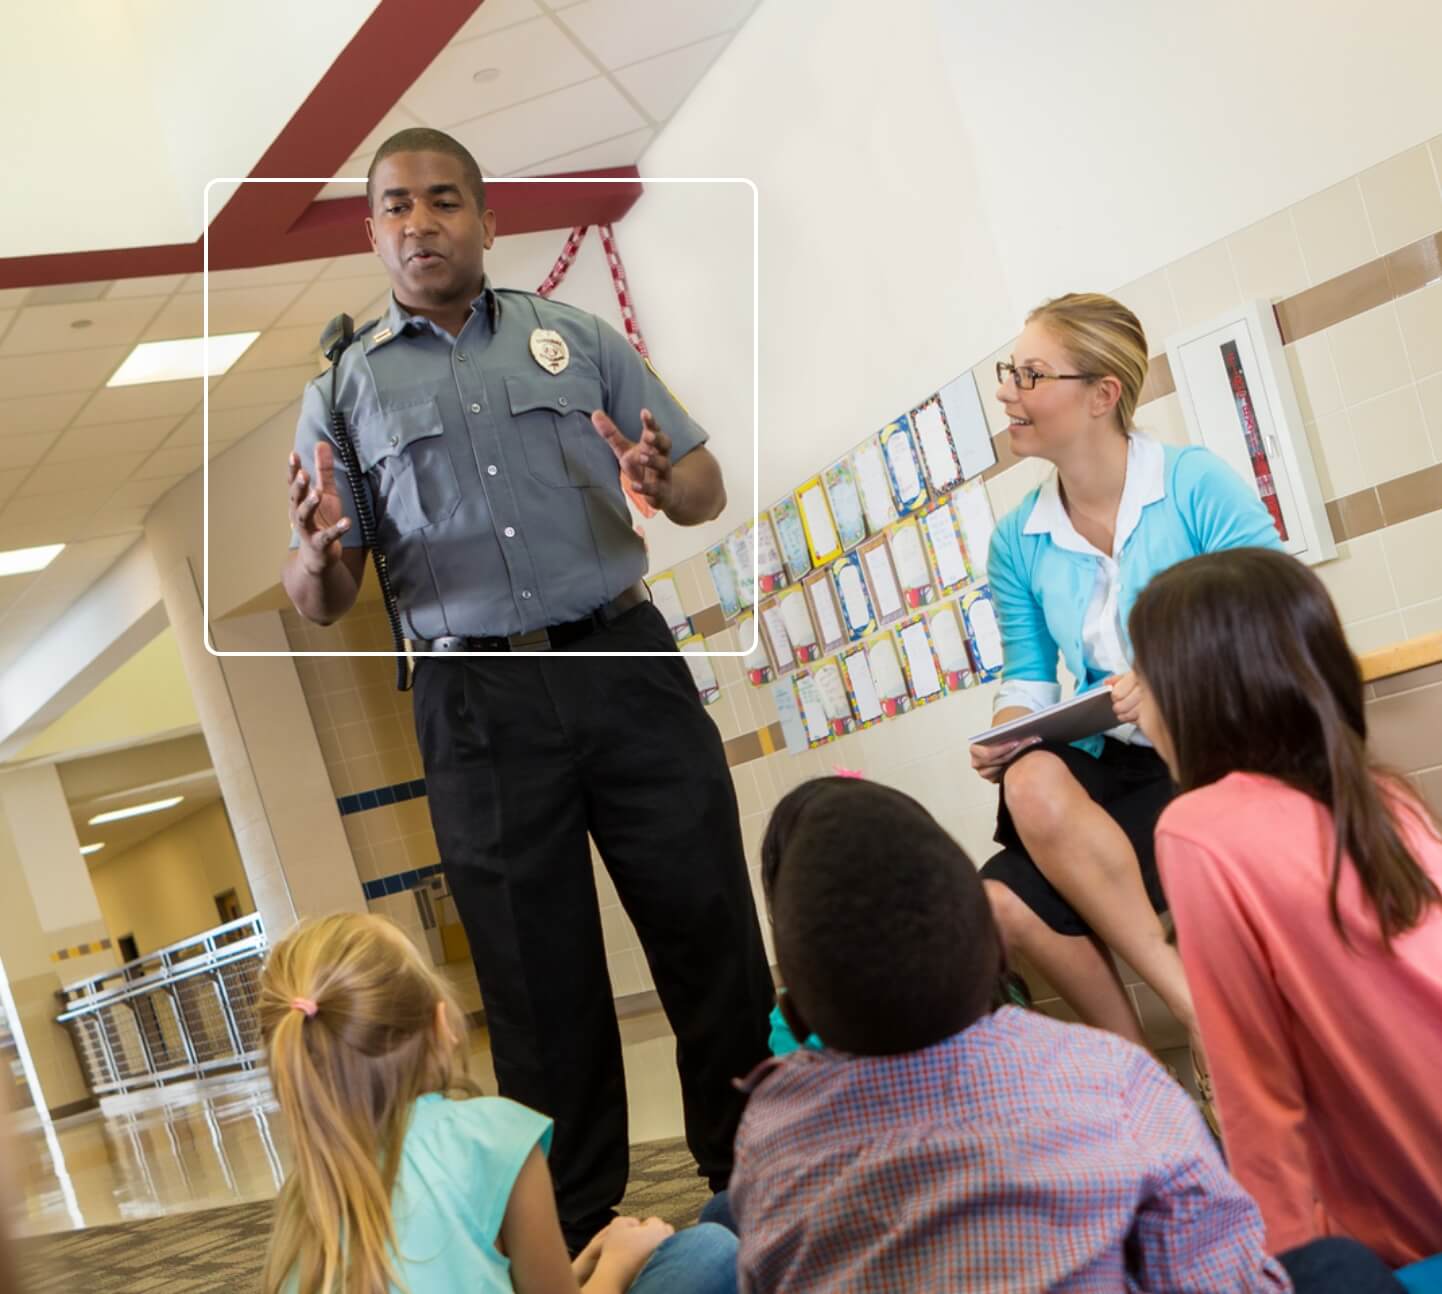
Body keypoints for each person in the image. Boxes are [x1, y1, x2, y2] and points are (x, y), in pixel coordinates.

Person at [282, 127, 774, 1252]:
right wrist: (313, 551)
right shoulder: (345, 393)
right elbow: (321, 591)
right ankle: (584, 1232)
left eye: (443, 200)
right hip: (475, 703)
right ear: (371, 233)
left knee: (708, 926)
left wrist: (664, 475)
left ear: (486, 220)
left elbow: (699, 482)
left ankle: (763, 1179)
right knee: (532, 979)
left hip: (621, 657)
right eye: (396, 206)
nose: (420, 223)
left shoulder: (576, 338)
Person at [726, 776, 1404, 1292]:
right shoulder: (1107, 1076)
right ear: (1000, 956)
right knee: (1339, 1265)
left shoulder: (770, 1135)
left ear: (799, 1015)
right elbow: (1214, 1275)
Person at [973, 291, 1282, 1053]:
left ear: (1103, 395)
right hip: (1117, 769)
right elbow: (1028, 676)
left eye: (1031, 374)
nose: (1008, 390)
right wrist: (1011, 730)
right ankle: (1154, 1065)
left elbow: (1278, 605)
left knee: (1009, 892)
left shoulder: (1192, 483)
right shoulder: (1017, 539)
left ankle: (1193, 1049)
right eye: (1010, 370)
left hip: (1219, 748)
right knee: (1011, 847)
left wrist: (1171, 673)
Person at [1130, 547, 1442, 1270]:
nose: (1137, 707)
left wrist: (1282, 1268)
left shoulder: (1199, 832)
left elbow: (1254, 1090)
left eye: (1142, 680)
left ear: (1197, 694)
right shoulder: (1385, 799)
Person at [258, 912, 738, 1294]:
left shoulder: (309, 1189)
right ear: (440, 1025)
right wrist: (618, 1263)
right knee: (710, 1248)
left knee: (725, 1211)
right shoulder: (488, 1136)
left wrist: (580, 1267)